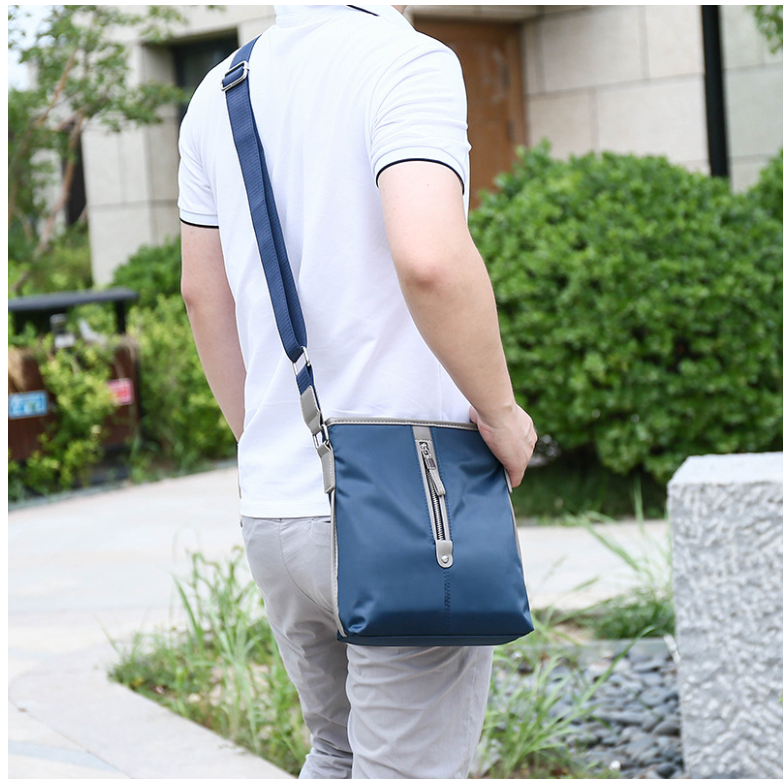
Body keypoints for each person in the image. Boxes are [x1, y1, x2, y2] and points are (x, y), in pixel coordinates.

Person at [178, 5, 536, 777]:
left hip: (278, 507)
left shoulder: (219, 91)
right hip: (406, 501)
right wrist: (503, 413)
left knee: (337, 753)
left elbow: (204, 297)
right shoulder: (406, 62)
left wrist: (270, 442)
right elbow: (430, 257)